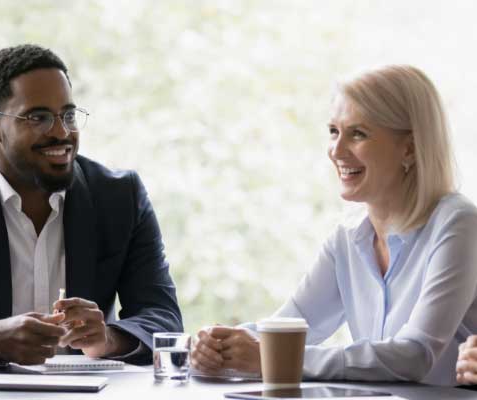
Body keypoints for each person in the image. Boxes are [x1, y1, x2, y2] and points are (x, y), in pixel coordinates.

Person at [0, 44, 183, 365]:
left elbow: (163, 319)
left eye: (68, 115)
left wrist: (107, 338)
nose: (61, 132)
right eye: (38, 117)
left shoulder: (119, 196)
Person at [191, 65, 477, 386]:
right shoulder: (347, 237)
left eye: (358, 133)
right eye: (333, 131)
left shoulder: (457, 224)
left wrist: (270, 357)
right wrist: (218, 344)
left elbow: (414, 355)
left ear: (409, 148)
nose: (336, 151)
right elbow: (292, 325)